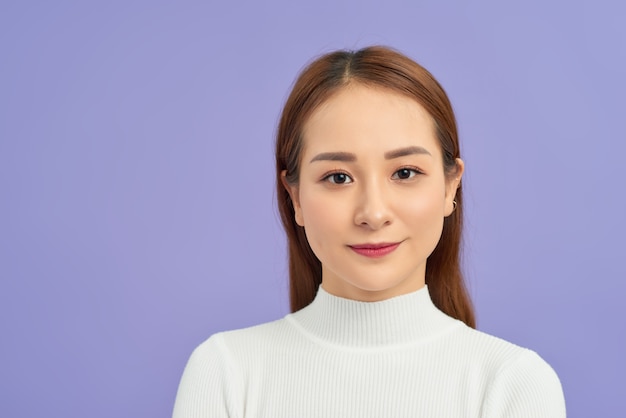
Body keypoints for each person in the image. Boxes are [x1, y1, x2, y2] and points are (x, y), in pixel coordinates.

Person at [172, 46, 566, 417]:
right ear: (294, 196)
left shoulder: (512, 384)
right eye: (338, 177)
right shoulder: (225, 373)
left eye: (405, 173)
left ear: (450, 187)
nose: (373, 214)